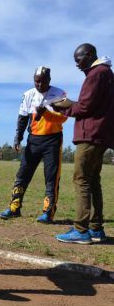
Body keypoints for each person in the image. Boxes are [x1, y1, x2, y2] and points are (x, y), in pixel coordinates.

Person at [53, 44, 114, 244]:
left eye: (78, 59)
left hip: (90, 135)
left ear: (88, 55)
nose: (77, 64)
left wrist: (65, 107)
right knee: (93, 180)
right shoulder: (107, 73)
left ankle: (81, 230)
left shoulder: (96, 74)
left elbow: (86, 106)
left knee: (81, 180)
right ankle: (96, 228)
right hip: (101, 135)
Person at [0, 67, 67, 223]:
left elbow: (63, 118)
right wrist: (18, 138)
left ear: (49, 79)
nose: (39, 83)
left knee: (51, 178)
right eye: (37, 80)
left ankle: (48, 212)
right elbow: (22, 118)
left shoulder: (60, 94)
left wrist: (46, 114)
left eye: (43, 80)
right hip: (33, 140)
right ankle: (14, 208)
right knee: (22, 175)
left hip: (53, 140)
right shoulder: (28, 94)